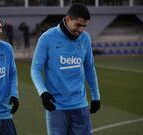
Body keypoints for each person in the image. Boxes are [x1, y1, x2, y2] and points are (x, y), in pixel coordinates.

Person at [31, 3, 100, 135]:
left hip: (81, 105)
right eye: (78, 25)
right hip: (57, 107)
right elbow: (35, 69)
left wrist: (96, 96)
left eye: (84, 26)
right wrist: (43, 93)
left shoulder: (85, 38)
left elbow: (89, 68)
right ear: (68, 19)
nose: (81, 30)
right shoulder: (47, 38)